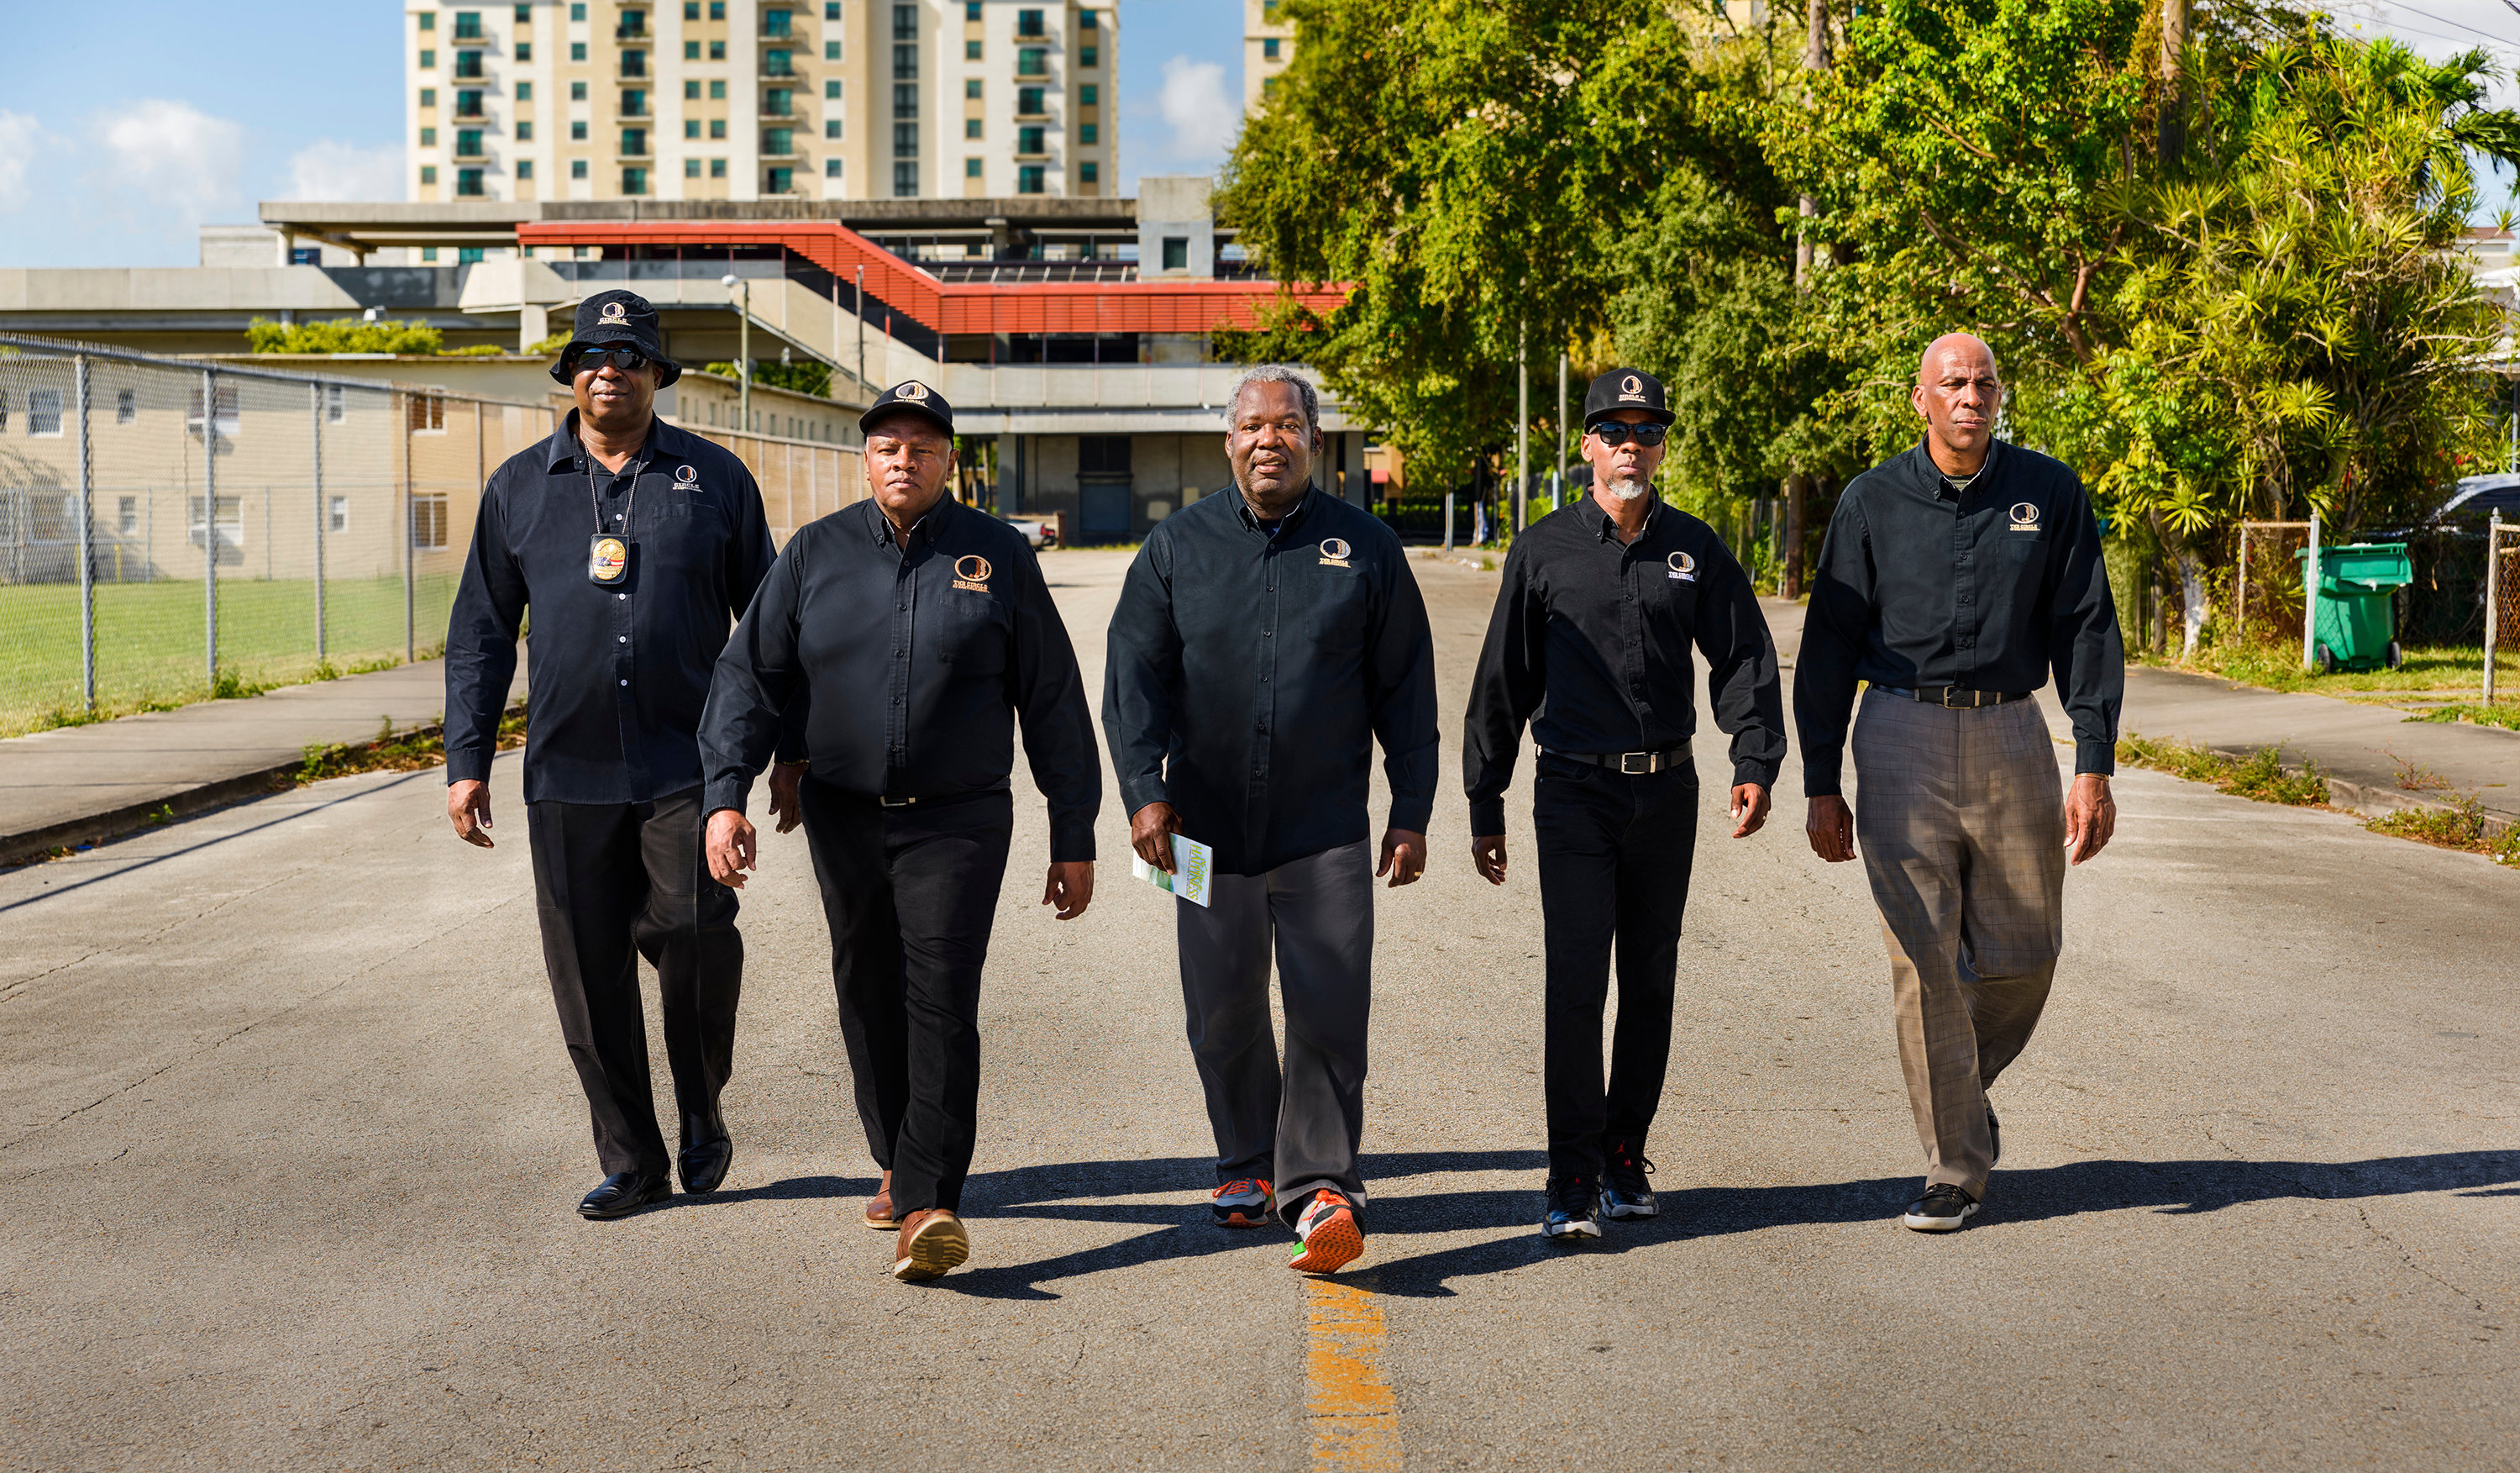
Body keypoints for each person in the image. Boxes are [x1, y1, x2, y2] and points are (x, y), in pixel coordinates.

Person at [698, 380, 1100, 1283]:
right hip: (843, 816)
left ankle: (929, 1199)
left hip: (960, 821)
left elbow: (1052, 699)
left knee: (942, 995)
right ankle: (895, 1151)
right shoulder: (814, 552)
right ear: (867, 458)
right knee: (867, 986)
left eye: (922, 446)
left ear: (950, 460)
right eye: (888, 446)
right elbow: (749, 677)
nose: (904, 460)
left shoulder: (997, 555)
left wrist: (1072, 832)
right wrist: (726, 795)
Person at [444, 289, 791, 1221]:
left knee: (695, 933)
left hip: (689, 764)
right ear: (570, 373)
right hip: (568, 772)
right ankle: (634, 1160)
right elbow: (481, 633)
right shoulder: (519, 487)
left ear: (657, 374)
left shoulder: (714, 479)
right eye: (593, 356)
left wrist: (786, 751)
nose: (611, 370)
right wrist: (467, 758)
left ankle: (701, 1104)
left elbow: (769, 630)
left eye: (630, 355)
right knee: (589, 978)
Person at [1103, 365, 1439, 1277]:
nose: (1269, 440)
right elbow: (1133, 678)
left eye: (1287, 425)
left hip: (1324, 829)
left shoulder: (1367, 549)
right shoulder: (1175, 548)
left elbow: (1407, 690)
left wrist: (1411, 810)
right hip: (1197, 830)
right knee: (1220, 1011)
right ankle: (1246, 1162)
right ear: (1229, 441)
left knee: (1330, 1006)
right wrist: (1142, 792)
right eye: (1252, 425)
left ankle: (1322, 1184)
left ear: (1314, 442)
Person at [1796, 332, 2123, 1233]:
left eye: (1983, 382)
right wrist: (1821, 780)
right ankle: (1954, 1165)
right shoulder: (1870, 501)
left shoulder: (2049, 492)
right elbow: (1827, 648)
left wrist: (2092, 761)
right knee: (1924, 958)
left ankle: (1961, 1090)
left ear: (1999, 395)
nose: (1970, 396)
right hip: (1899, 732)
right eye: (1953, 383)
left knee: (2028, 953)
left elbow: (2087, 625)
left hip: (2013, 731)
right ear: (1922, 400)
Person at [1462, 367, 1789, 1243]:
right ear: (1588, 446)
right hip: (1573, 791)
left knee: (1649, 980)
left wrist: (1753, 756)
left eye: (1646, 431)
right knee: (1577, 983)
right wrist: (1485, 799)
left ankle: (1622, 1154)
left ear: (1662, 447)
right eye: (1614, 430)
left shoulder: (1694, 548)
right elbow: (1503, 681)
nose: (1631, 446)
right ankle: (1570, 1177)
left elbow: (1744, 656)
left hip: (1667, 791)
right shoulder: (1542, 551)